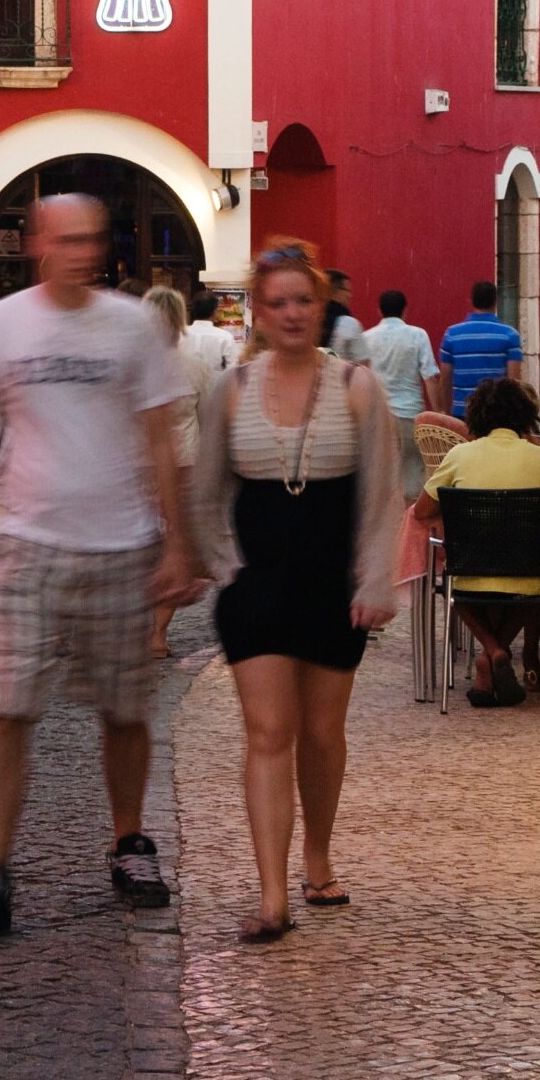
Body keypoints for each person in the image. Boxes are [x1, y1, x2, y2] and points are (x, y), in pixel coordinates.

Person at [0, 193, 200, 941]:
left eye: (95, 240)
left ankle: (129, 841)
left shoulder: (135, 324)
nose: (85, 252)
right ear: (38, 243)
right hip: (27, 544)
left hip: (121, 544)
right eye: (70, 239)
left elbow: (161, 440)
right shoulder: (0, 324)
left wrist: (179, 542)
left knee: (124, 709)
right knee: (5, 706)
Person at [190, 243, 405, 942]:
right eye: (276, 302)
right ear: (257, 310)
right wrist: (225, 569)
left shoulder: (356, 387)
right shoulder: (232, 390)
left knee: (321, 733)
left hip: (332, 584)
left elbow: (382, 495)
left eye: (302, 301)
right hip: (257, 586)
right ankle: (272, 894)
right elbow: (207, 491)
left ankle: (317, 855)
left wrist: (376, 580)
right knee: (267, 732)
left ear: (322, 307)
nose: (290, 314)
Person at [416, 374, 540, 707]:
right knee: (533, 590)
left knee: (454, 584)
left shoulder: (459, 456)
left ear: (477, 416)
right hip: (529, 573)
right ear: (526, 416)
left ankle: (491, 653)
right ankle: (496, 653)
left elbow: (422, 511)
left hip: (468, 571)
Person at [356, 290, 437, 459]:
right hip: (410, 413)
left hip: (378, 417)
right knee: (413, 470)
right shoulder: (418, 335)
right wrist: (438, 412)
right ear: (405, 309)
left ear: (379, 310)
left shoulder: (365, 338)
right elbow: (431, 377)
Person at [436, 279, 527, 417]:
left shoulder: (451, 335)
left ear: (471, 301)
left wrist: (448, 412)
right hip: (496, 413)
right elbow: (514, 380)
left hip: (462, 412)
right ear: (495, 302)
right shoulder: (509, 335)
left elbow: (445, 379)